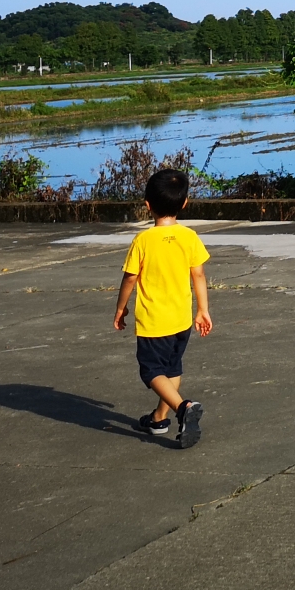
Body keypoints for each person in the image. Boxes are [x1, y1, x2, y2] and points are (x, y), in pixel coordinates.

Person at [112, 168, 212, 448]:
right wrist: (202, 309)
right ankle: (159, 418)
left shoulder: (143, 241)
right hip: (181, 318)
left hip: (154, 321)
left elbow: (130, 277)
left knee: (151, 370)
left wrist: (121, 308)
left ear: (147, 205)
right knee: (172, 368)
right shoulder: (189, 236)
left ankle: (183, 408)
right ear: (184, 203)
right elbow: (199, 275)